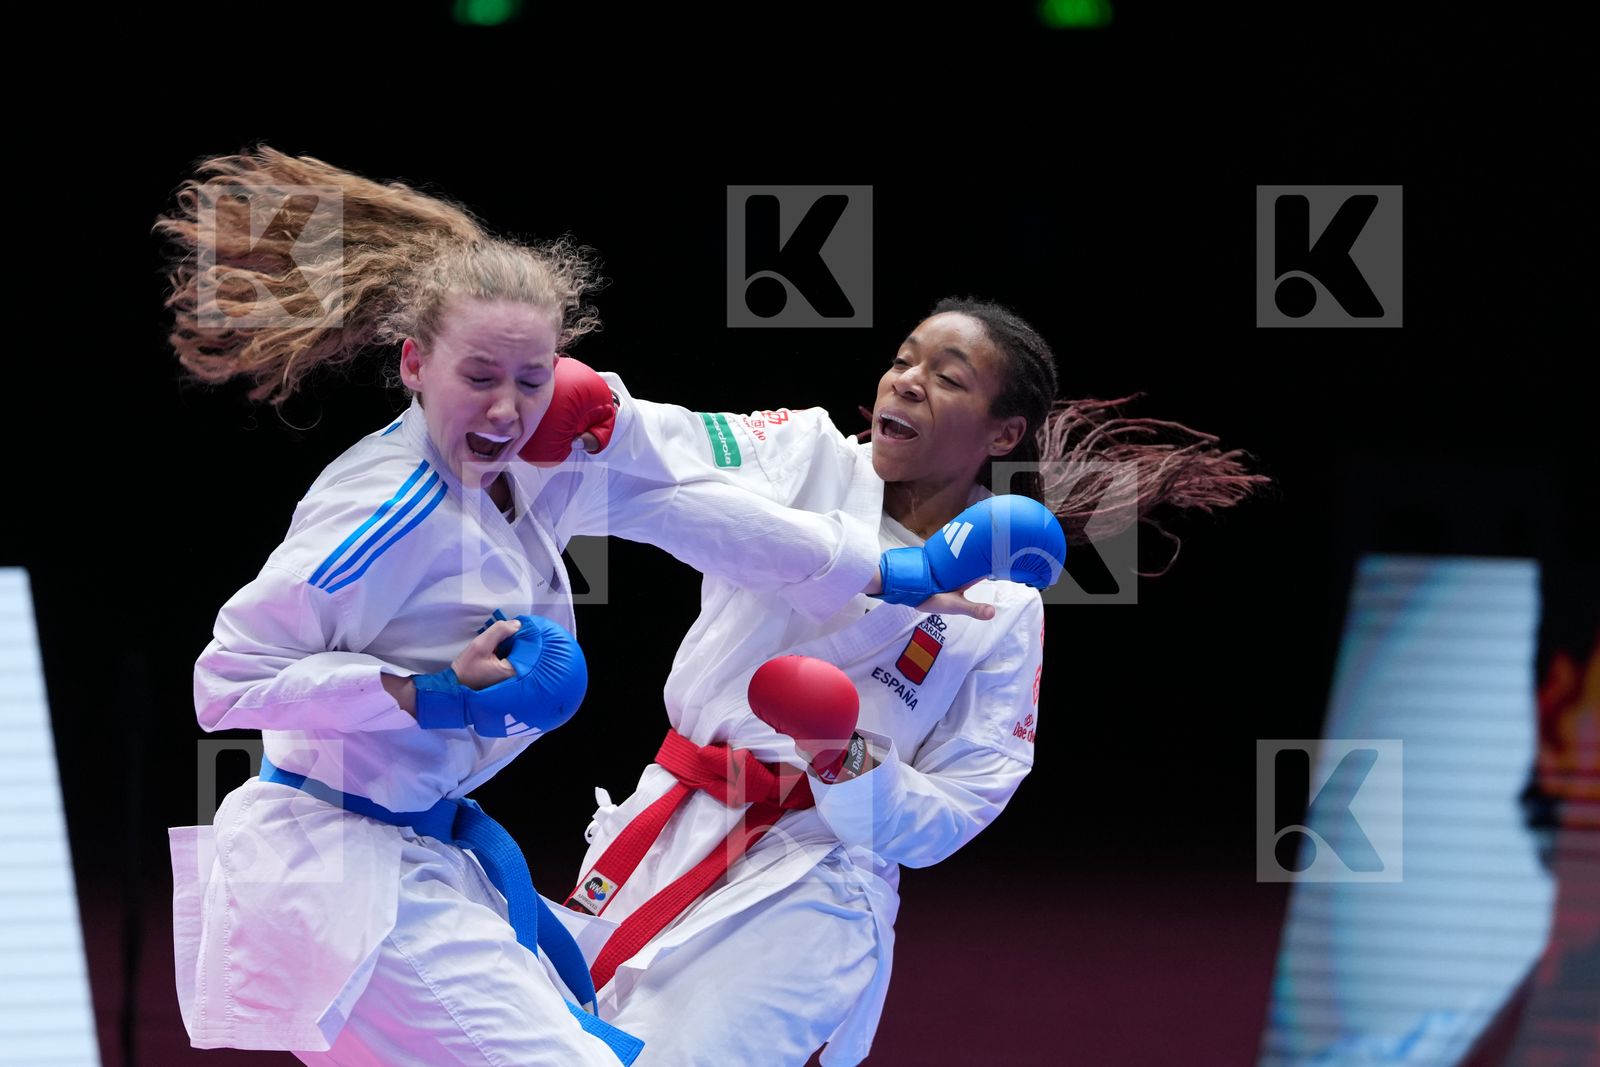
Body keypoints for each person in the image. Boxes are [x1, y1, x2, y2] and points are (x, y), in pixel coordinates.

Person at [155, 147, 1013, 1066]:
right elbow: (228, 685)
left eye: (532, 380)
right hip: (336, 863)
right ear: (413, 363)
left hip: (425, 854)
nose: (506, 407)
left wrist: (892, 574)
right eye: (479, 375)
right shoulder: (384, 510)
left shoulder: (529, 464)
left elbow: (694, 512)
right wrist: (424, 693)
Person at [529, 300, 1272, 1065]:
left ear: (1003, 433)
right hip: (667, 821)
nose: (907, 383)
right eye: (903, 360)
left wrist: (843, 756)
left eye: (946, 378)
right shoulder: (804, 452)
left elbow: (964, 801)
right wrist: (607, 416)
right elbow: (674, 455)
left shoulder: (1005, 604)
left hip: (812, 879)